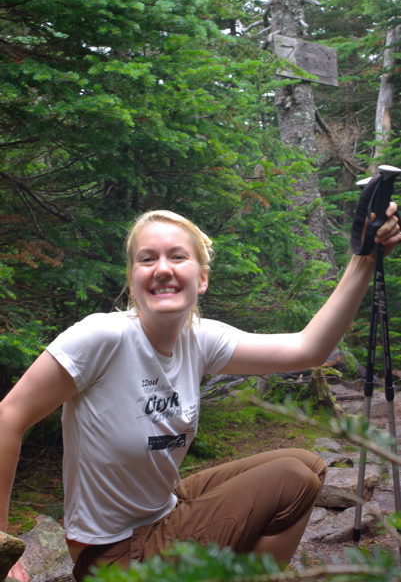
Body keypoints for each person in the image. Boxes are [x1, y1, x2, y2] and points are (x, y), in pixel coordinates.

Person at [1, 205, 400, 582]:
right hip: (113, 554)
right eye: (147, 259)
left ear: (202, 278)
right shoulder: (102, 337)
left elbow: (308, 349)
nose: (162, 269)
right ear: (132, 280)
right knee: (292, 478)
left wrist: (363, 259)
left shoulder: (200, 340)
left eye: (177, 257)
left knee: (307, 463)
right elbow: (8, 417)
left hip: (162, 514)